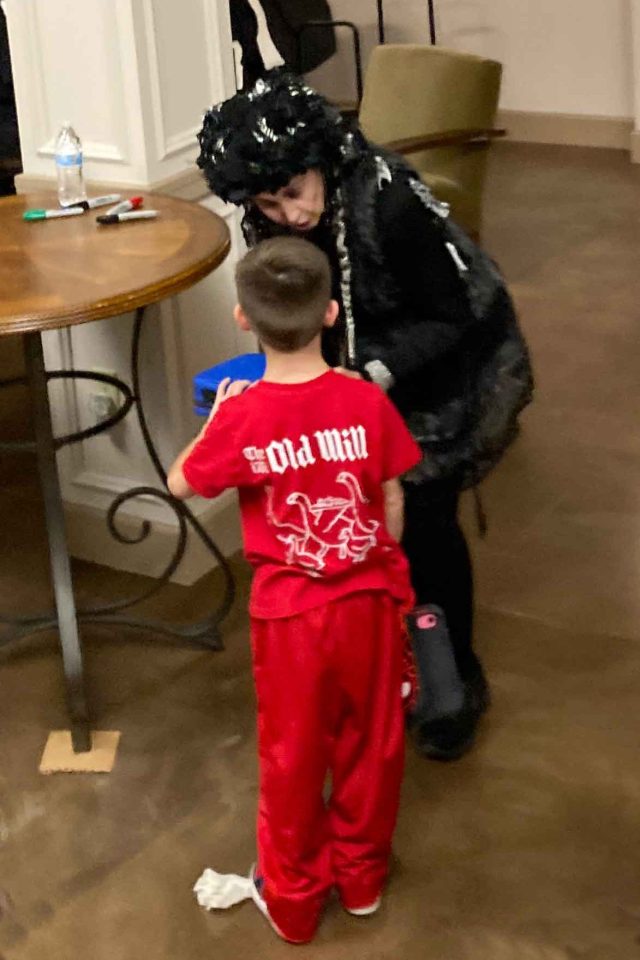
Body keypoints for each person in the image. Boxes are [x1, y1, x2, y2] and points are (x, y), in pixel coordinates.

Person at [195, 69, 533, 759]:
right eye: (267, 202)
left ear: (319, 159)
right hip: (353, 359)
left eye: (294, 194)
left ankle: (452, 681)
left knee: (425, 518)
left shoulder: (392, 205)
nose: (287, 215)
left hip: (444, 353)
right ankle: (385, 666)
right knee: (359, 526)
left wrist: (366, 374)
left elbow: (450, 314)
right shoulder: (272, 212)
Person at [168, 236, 422, 944]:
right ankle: (363, 880)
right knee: (372, 746)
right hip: (369, 605)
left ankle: (294, 900)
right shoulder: (366, 399)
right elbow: (393, 501)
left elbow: (181, 483)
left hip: (292, 621)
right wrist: (372, 559)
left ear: (241, 320)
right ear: (333, 313)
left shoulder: (244, 416)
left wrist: (218, 416)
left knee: (293, 757)